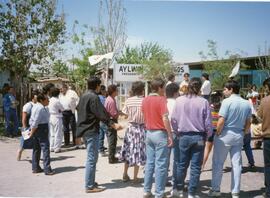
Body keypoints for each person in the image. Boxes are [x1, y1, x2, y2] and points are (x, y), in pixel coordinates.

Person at [76, 76, 122, 193]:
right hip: (91, 131)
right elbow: (102, 114)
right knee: (92, 159)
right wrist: (113, 124)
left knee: (91, 157)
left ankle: (90, 181)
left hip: (85, 131)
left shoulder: (83, 96)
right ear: (97, 86)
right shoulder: (94, 97)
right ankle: (90, 185)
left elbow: (79, 111)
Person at [209, 80, 252, 198]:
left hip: (225, 134)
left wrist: (217, 133)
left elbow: (221, 120)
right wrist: (244, 133)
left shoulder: (226, 102)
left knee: (218, 163)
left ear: (231, 89)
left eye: (225, 89)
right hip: (238, 135)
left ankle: (216, 190)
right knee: (237, 164)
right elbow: (248, 122)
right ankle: (235, 191)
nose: (224, 91)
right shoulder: (246, 103)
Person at [171, 77, 212, 198]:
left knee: (181, 164)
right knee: (195, 166)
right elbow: (208, 123)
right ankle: (192, 193)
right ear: (200, 88)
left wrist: (177, 132)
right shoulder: (204, 102)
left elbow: (173, 119)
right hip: (199, 137)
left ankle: (178, 190)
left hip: (183, 136)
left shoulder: (179, 100)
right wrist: (208, 135)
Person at [142, 78, 173, 198]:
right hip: (160, 133)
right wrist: (170, 135)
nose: (164, 89)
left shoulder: (145, 100)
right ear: (159, 88)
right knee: (161, 164)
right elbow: (165, 118)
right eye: (164, 87)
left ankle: (146, 190)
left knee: (150, 163)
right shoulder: (161, 100)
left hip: (149, 133)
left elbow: (144, 116)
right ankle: (159, 193)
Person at [119, 81, 146, 183]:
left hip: (130, 129)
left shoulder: (128, 100)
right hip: (140, 129)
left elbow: (124, 115)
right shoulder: (144, 100)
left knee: (127, 151)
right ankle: (135, 178)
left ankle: (125, 174)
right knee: (138, 152)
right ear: (142, 90)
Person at [29, 93, 54, 175]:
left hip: (37, 128)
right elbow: (36, 121)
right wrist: (32, 131)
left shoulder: (38, 106)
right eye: (47, 99)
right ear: (41, 100)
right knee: (45, 148)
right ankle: (47, 169)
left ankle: (35, 167)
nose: (48, 100)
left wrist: (32, 129)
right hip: (41, 128)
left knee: (36, 148)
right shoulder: (40, 108)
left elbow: (32, 120)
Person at [257, 78, 270, 198]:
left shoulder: (264, 101)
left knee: (268, 165)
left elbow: (259, 117)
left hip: (268, 137)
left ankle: (268, 191)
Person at [17, 90, 39, 161]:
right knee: (25, 140)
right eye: (36, 96)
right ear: (33, 97)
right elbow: (24, 117)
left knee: (34, 142)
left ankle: (35, 157)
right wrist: (24, 127)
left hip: (34, 125)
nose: (37, 97)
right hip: (28, 126)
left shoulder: (38, 104)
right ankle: (19, 152)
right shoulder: (28, 105)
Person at [202, 91, 222, 170]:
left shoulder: (209, 107)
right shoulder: (222, 107)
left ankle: (202, 166)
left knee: (207, 149)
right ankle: (217, 166)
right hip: (219, 130)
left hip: (210, 131)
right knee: (218, 151)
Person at [165, 83, 180, 188]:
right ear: (175, 93)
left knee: (165, 158)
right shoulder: (178, 103)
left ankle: (164, 179)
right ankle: (175, 181)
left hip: (164, 132)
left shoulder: (163, 102)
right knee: (176, 159)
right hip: (176, 132)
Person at [104, 84, 120, 164]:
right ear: (113, 91)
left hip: (110, 121)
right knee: (112, 140)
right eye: (116, 90)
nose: (117, 91)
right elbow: (113, 114)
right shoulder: (111, 100)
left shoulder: (110, 99)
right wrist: (118, 114)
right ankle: (111, 158)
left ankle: (112, 157)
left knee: (112, 139)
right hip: (112, 121)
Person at [48, 88, 64, 153]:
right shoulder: (57, 100)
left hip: (50, 116)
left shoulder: (50, 100)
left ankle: (51, 147)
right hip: (57, 117)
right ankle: (57, 148)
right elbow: (62, 108)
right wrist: (59, 110)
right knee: (58, 133)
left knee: (52, 133)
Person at [98, 85, 108, 156]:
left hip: (98, 118)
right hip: (104, 119)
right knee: (108, 134)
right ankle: (111, 149)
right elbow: (106, 109)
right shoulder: (103, 99)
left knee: (100, 134)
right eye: (104, 90)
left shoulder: (96, 98)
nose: (105, 92)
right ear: (102, 91)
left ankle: (100, 149)